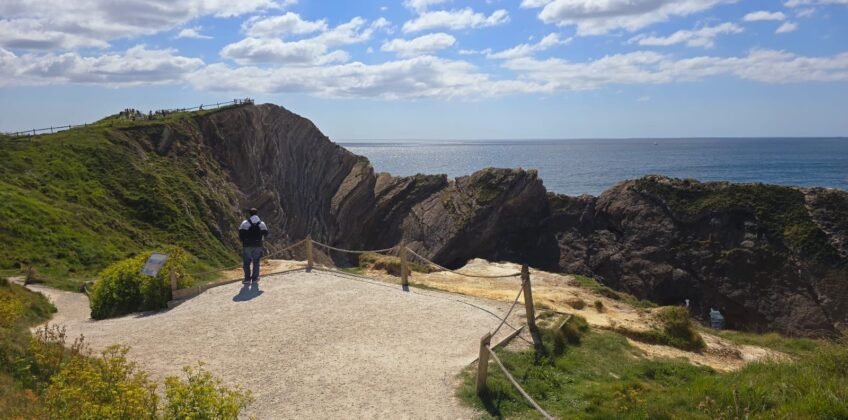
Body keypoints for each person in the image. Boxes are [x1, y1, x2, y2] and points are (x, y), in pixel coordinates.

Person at [238, 208, 268, 284]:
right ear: (257, 214)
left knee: (246, 262)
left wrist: (244, 241)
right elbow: (266, 233)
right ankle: (255, 278)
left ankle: (247, 279)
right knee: (256, 262)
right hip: (258, 245)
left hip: (247, 245)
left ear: (250, 214)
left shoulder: (245, 223)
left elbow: (241, 234)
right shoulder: (262, 223)